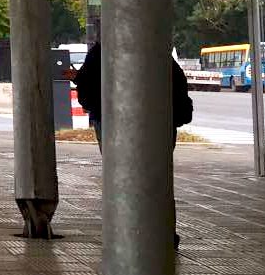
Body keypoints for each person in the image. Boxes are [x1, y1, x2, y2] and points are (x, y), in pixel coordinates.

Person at [73, 40, 192, 247]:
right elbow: (179, 92)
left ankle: (126, 231)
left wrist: (99, 110)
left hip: (112, 124)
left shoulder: (100, 54)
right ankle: (162, 233)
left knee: (121, 179)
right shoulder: (159, 54)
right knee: (158, 180)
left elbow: (85, 86)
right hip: (160, 126)